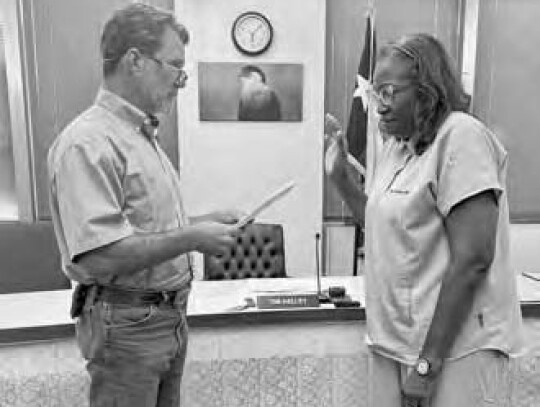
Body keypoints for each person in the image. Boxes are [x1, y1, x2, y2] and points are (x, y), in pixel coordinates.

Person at [47, 4, 244, 406]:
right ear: (135, 61)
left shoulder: (140, 137)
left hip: (164, 319)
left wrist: (201, 223)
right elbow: (100, 256)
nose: (181, 81)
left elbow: (142, 228)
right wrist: (192, 236)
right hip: (128, 326)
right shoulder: (88, 143)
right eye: (174, 66)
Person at [325, 33, 523, 407]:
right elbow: (384, 229)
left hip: (456, 350)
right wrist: (340, 179)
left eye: (388, 91)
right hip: (397, 342)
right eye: (374, 93)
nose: (379, 106)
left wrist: (427, 365)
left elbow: (473, 259)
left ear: (426, 90)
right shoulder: (397, 147)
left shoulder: (461, 137)